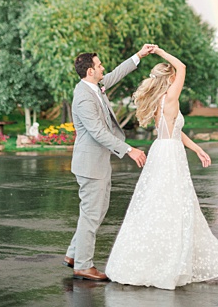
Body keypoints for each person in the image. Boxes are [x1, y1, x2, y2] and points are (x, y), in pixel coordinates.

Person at [104, 45, 218, 287]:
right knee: (175, 204)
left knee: (156, 204)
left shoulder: (157, 101)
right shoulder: (171, 97)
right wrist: (161, 52)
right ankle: (168, 263)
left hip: (161, 150)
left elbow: (176, 130)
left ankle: (151, 260)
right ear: (170, 77)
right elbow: (182, 66)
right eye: (174, 75)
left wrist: (197, 148)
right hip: (170, 155)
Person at [66, 46, 149, 282]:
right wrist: (129, 150)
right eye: (100, 65)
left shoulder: (95, 87)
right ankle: (83, 265)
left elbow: (116, 74)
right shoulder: (83, 96)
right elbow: (98, 132)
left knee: (95, 212)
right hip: (90, 165)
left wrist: (139, 56)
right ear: (90, 71)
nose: (103, 67)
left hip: (98, 163)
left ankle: (74, 254)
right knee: (92, 215)